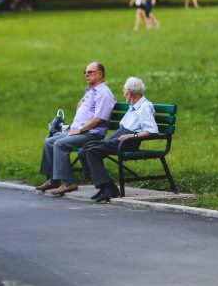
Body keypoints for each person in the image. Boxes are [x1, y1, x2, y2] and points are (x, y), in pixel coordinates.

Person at [36, 62, 116, 196]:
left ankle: (69, 183)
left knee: (60, 144)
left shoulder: (104, 93)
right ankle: (54, 179)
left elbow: (99, 118)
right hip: (79, 131)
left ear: (100, 74)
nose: (86, 74)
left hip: (91, 134)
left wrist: (80, 128)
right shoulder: (91, 91)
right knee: (49, 141)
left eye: (90, 72)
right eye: (85, 72)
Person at [79, 77, 158, 203]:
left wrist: (132, 136)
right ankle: (105, 186)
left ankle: (107, 187)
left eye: (124, 91)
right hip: (120, 136)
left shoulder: (144, 107)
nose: (123, 94)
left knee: (92, 151)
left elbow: (151, 131)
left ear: (130, 93)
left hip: (128, 141)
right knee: (84, 149)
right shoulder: (133, 106)